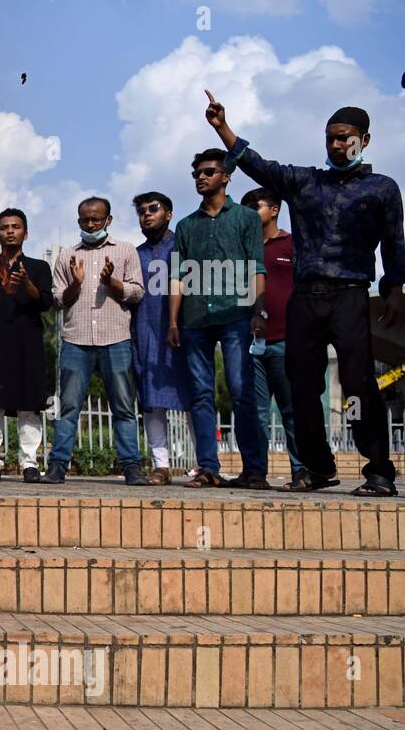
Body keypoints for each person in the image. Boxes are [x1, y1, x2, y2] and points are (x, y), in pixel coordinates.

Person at [205, 92, 404, 496]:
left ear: (364, 140)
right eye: (329, 137)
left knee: (357, 384)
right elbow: (259, 166)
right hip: (305, 299)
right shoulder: (304, 181)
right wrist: (223, 128)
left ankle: (378, 470)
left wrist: (395, 289)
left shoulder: (381, 189)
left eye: (344, 137)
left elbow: (395, 244)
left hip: (350, 294)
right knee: (301, 385)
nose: (335, 145)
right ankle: (317, 467)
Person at [167, 148, 268, 489]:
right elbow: (177, 276)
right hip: (194, 318)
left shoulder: (246, 219)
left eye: (209, 171)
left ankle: (254, 469)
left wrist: (258, 311)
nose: (201, 177)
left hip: (237, 315)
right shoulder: (185, 225)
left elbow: (256, 267)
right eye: (197, 173)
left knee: (242, 391)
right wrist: (172, 322)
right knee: (200, 393)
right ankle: (208, 467)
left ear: (226, 176)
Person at [44, 197, 148, 486]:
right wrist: (76, 284)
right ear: (79, 221)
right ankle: (58, 466)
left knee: (124, 406)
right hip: (76, 340)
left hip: (116, 339)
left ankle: (131, 467)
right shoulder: (67, 255)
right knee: (68, 406)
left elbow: (138, 292)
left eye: (96, 220)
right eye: (85, 220)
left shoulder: (125, 251)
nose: (90, 225)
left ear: (108, 220)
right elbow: (57, 300)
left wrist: (111, 282)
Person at [0, 209, 53, 482]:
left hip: (27, 343)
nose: (10, 231)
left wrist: (28, 285)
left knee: (28, 405)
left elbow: (45, 303)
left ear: (25, 233)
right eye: (4, 227)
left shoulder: (39, 267)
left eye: (15, 226)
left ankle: (29, 464)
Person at [241, 187, 305, 488]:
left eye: (256, 205)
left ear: (275, 209)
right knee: (255, 414)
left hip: (286, 340)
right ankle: (256, 472)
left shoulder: (292, 244)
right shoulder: (242, 248)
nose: (250, 211)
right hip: (250, 342)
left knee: (293, 410)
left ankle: (301, 471)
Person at [132, 191, 192, 485]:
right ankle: (161, 465)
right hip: (145, 334)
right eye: (141, 210)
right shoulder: (134, 255)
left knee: (196, 396)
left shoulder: (184, 249)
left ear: (169, 214)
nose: (146, 214)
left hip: (184, 333)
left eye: (153, 209)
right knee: (152, 401)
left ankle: (206, 464)